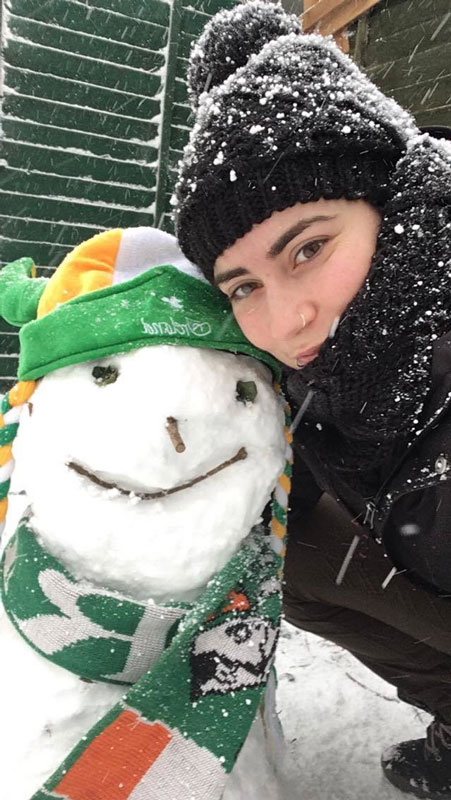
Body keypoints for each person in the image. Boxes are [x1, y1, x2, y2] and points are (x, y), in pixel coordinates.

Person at [173, 1, 451, 797]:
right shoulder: (355, 352)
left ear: (393, 200)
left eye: (308, 247)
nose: (284, 317)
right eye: (243, 285)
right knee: (287, 559)